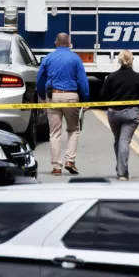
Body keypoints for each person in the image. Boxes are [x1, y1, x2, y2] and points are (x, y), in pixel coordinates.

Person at [35, 33, 90, 175]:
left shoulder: (48, 58)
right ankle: (70, 160)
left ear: (56, 43)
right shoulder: (75, 58)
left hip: (52, 96)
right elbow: (82, 81)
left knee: (54, 133)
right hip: (71, 96)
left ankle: (56, 167)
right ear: (69, 43)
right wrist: (85, 99)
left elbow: (40, 79)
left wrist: (41, 95)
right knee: (73, 129)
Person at [99, 50, 139, 181]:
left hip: (114, 113)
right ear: (132, 60)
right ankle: (122, 173)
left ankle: (121, 169)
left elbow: (103, 95)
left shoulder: (112, 77)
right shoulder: (138, 78)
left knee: (118, 140)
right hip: (131, 113)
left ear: (119, 60)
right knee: (124, 140)